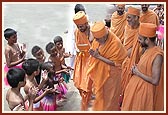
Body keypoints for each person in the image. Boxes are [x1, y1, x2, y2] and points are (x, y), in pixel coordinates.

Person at [121, 23, 164, 111]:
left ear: (147, 40)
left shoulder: (157, 55)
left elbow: (155, 80)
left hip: (144, 93)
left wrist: (137, 73)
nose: (138, 41)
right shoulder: (147, 50)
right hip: (136, 91)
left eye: (140, 39)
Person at [87, 21, 127, 111]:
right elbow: (95, 49)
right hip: (101, 74)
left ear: (104, 36)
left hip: (112, 76)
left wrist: (98, 57)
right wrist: (94, 55)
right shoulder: (98, 39)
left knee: (111, 99)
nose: (96, 41)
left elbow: (116, 63)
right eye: (95, 39)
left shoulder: (115, 43)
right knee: (101, 98)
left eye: (97, 39)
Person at [73, 11, 94, 111]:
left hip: (92, 61)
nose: (80, 28)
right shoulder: (76, 32)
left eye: (81, 26)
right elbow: (77, 47)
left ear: (86, 23)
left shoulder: (93, 32)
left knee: (88, 86)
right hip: (81, 61)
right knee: (79, 84)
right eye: (78, 26)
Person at [121, 7, 141, 99]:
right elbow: (124, 42)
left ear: (137, 18)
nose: (127, 20)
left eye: (129, 17)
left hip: (137, 64)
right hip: (125, 62)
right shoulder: (126, 27)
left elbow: (159, 31)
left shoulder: (142, 30)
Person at [65, 4, 86, 80]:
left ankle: (75, 73)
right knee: (72, 58)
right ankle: (71, 74)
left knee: (76, 58)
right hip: (73, 41)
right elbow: (73, 33)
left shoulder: (81, 20)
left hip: (77, 40)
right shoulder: (75, 21)